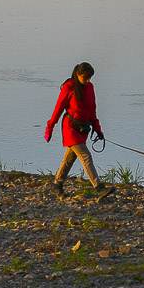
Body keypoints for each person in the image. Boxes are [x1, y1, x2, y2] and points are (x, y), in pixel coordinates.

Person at [44, 62, 113, 198]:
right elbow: (58, 109)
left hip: (83, 129)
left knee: (69, 158)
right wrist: (49, 128)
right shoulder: (69, 87)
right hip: (70, 128)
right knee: (85, 156)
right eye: (85, 78)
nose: (88, 81)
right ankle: (98, 188)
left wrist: (98, 129)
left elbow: (92, 110)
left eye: (90, 78)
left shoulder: (90, 87)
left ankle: (56, 186)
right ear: (78, 74)